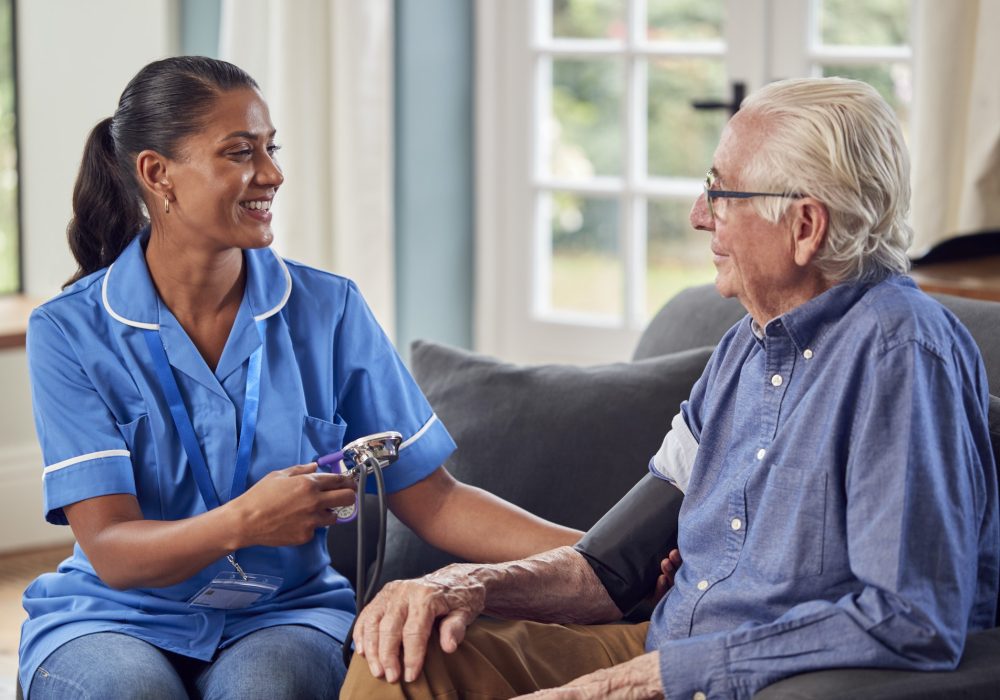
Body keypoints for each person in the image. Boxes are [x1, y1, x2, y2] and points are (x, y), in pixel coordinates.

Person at [341, 77, 1000, 699]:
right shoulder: (743, 347)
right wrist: (463, 584)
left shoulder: (902, 353)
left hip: (752, 680)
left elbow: (912, 617)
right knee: (403, 654)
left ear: (805, 226)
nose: (697, 216)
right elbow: (609, 569)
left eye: (722, 193)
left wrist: (649, 678)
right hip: (657, 646)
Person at [18, 56, 586, 700]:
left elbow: (437, 501)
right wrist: (244, 521)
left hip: (283, 613)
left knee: (268, 690)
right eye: (239, 152)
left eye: (269, 147)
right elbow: (114, 550)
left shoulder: (330, 309)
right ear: (157, 174)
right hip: (114, 618)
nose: (272, 174)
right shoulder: (69, 331)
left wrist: (605, 557)